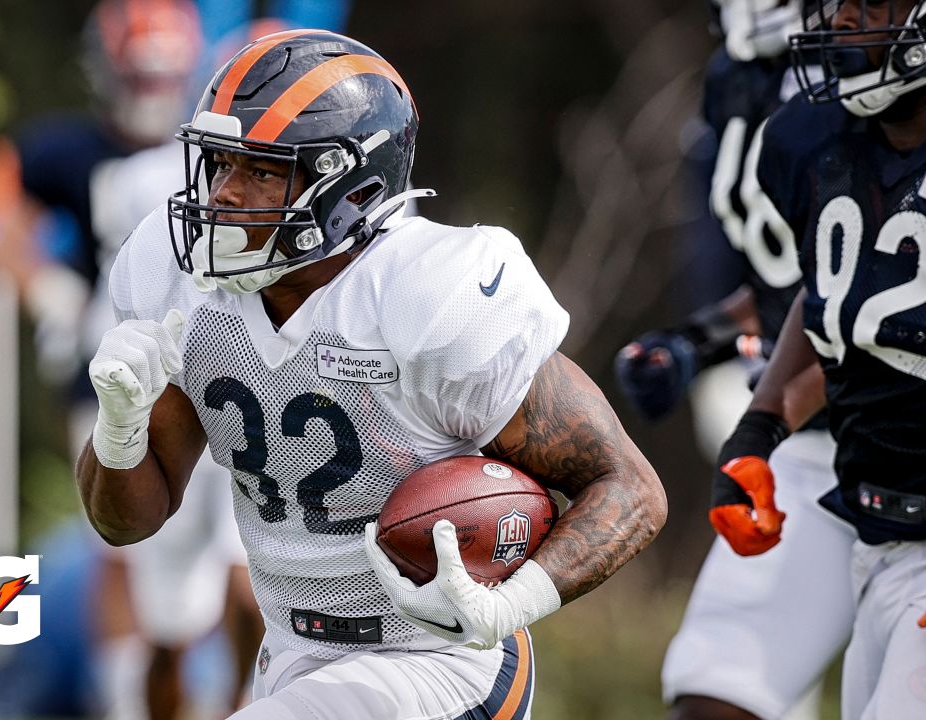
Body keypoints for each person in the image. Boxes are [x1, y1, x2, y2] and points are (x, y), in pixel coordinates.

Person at [77, 29, 667, 718]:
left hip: (438, 665)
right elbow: (126, 524)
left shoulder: (427, 296)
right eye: (220, 164)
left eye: (262, 170)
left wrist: (508, 604)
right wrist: (119, 429)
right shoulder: (182, 285)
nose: (227, 195)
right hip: (294, 657)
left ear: (350, 189)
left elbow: (630, 489)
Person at [7, 1, 263, 716]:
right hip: (115, 364)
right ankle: (129, 701)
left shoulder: (220, 155)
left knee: (242, 561)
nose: (150, 91)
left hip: (220, 370)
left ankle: (244, 701)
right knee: (123, 545)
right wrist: (46, 289)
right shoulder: (69, 154)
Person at [615, 2, 855, 718]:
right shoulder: (744, 81)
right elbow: (803, 280)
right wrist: (698, 340)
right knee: (717, 695)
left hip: (897, 453)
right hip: (822, 451)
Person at [709, 1, 926, 719]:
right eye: (836, 5)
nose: (844, 24)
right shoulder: (812, 139)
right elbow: (840, 293)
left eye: (871, 5)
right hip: (877, 538)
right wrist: (761, 427)